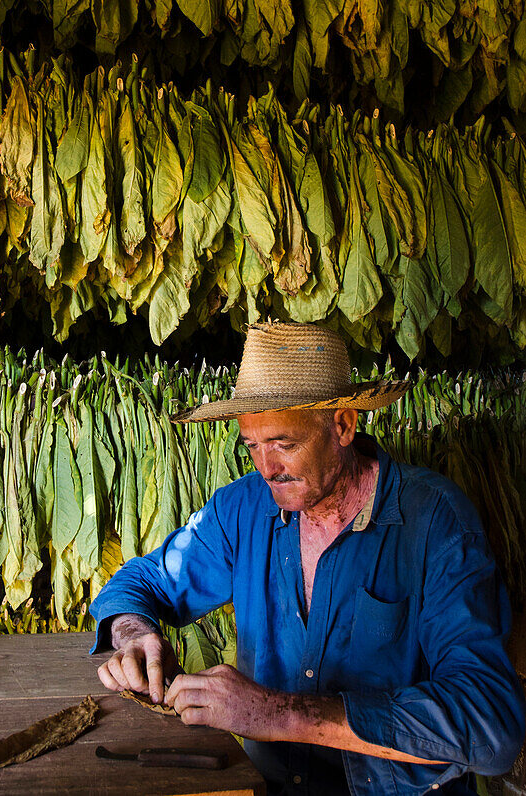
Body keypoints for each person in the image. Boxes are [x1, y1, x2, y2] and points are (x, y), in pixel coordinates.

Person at [89, 321, 526, 795]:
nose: (266, 468)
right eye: (252, 446)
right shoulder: (242, 510)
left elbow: (490, 724)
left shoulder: (434, 521)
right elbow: (141, 581)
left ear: (342, 424)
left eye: (284, 444)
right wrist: (136, 634)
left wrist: (277, 715)